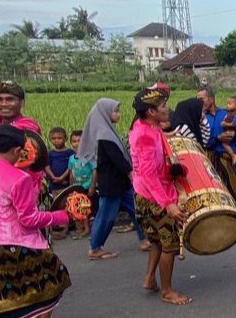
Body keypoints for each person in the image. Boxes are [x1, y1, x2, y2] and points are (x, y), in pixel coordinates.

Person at [0, 124, 72, 318]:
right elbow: (29, 220)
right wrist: (63, 215)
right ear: (16, 150)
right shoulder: (19, 178)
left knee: (7, 300)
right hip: (12, 246)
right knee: (51, 283)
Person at [129, 87, 191, 306]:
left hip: (147, 193)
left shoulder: (147, 127)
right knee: (170, 244)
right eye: (162, 106)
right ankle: (167, 291)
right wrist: (168, 204)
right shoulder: (144, 135)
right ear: (151, 111)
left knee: (156, 240)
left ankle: (149, 279)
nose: (167, 109)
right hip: (153, 196)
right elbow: (148, 175)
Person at [76, 98, 140, 260]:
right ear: (105, 113)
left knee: (136, 209)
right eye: (115, 111)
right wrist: (130, 172)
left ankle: (145, 239)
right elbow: (117, 158)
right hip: (111, 182)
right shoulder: (104, 135)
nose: (118, 114)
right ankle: (95, 248)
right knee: (106, 216)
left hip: (120, 182)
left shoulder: (108, 131)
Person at [66, 131, 94, 238]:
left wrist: (91, 185)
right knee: (75, 207)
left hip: (86, 186)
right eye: (74, 141)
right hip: (76, 187)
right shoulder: (72, 159)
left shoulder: (89, 157)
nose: (77, 144)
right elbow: (71, 173)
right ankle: (80, 228)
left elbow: (94, 171)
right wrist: (70, 187)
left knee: (84, 208)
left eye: (80, 141)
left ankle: (86, 228)